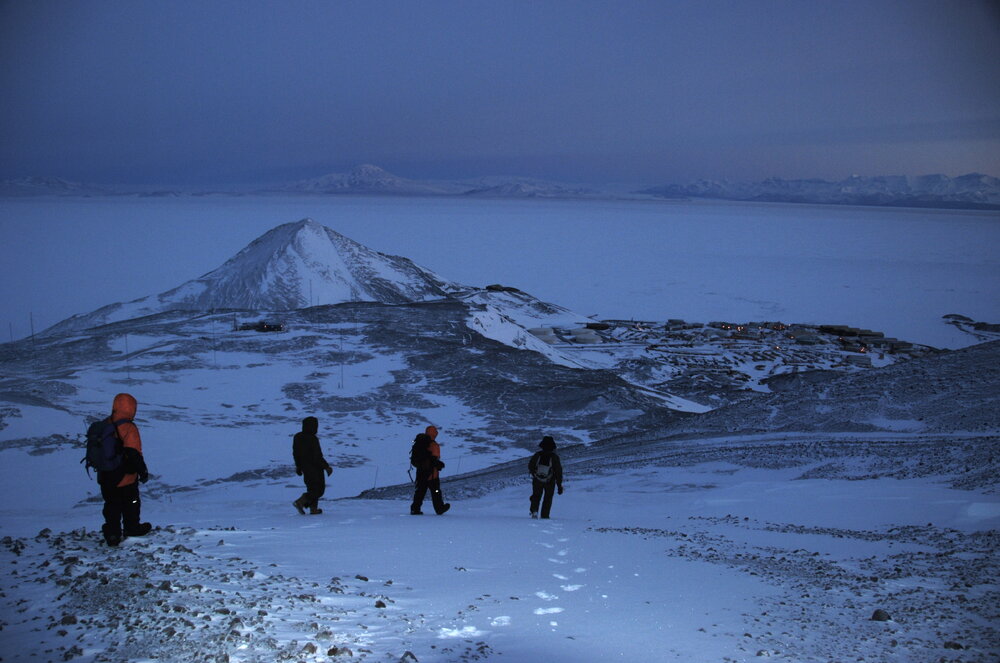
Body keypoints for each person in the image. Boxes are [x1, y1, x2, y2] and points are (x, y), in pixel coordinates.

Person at [98, 393, 152, 546]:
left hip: (105, 474)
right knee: (131, 502)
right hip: (124, 475)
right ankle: (132, 528)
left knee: (111, 504)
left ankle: (112, 534)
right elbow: (133, 452)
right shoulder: (128, 427)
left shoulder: (105, 424)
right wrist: (143, 472)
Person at [292, 416, 332, 515]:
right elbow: (317, 456)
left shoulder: (298, 437)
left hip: (305, 467)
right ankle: (300, 502)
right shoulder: (312, 438)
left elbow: (296, 453)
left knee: (312, 488)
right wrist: (326, 467)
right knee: (318, 490)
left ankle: (313, 509)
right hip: (315, 467)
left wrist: (298, 466)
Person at [410, 425, 450, 515]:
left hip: (421, 471)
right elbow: (433, 458)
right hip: (431, 473)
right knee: (436, 491)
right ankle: (439, 508)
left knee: (420, 491)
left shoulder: (421, 442)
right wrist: (438, 464)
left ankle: (415, 509)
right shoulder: (432, 444)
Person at [529, 435, 564, 519]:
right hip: (550, 481)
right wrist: (559, 485)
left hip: (537, 480)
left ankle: (534, 511)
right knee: (548, 498)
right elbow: (558, 472)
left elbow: (530, 466)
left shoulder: (537, 455)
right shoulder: (554, 457)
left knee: (536, 496)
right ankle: (545, 515)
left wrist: (534, 474)